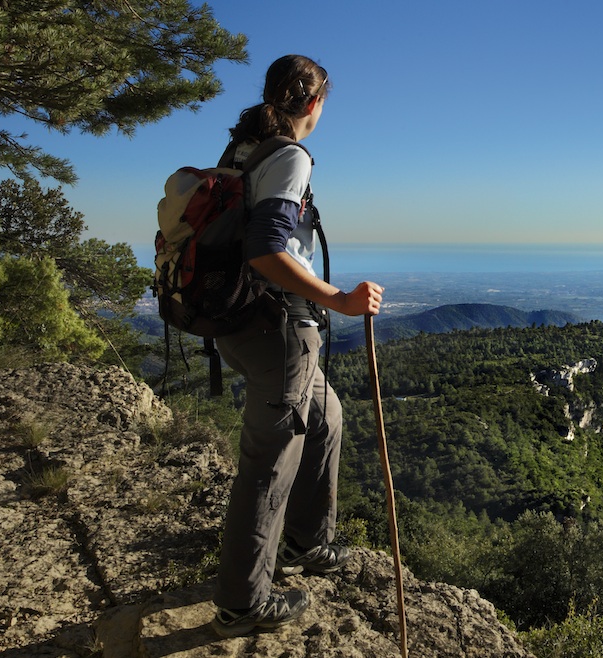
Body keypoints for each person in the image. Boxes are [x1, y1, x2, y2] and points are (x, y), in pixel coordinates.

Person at [209, 54, 384, 639]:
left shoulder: (241, 150)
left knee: (327, 416)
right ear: (313, 104)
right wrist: (339, 300)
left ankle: (310, 542)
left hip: (238, 323)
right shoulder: (288, 156)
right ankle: (243, 601)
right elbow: (265, 248)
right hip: (277, 328)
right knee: (268, 465)